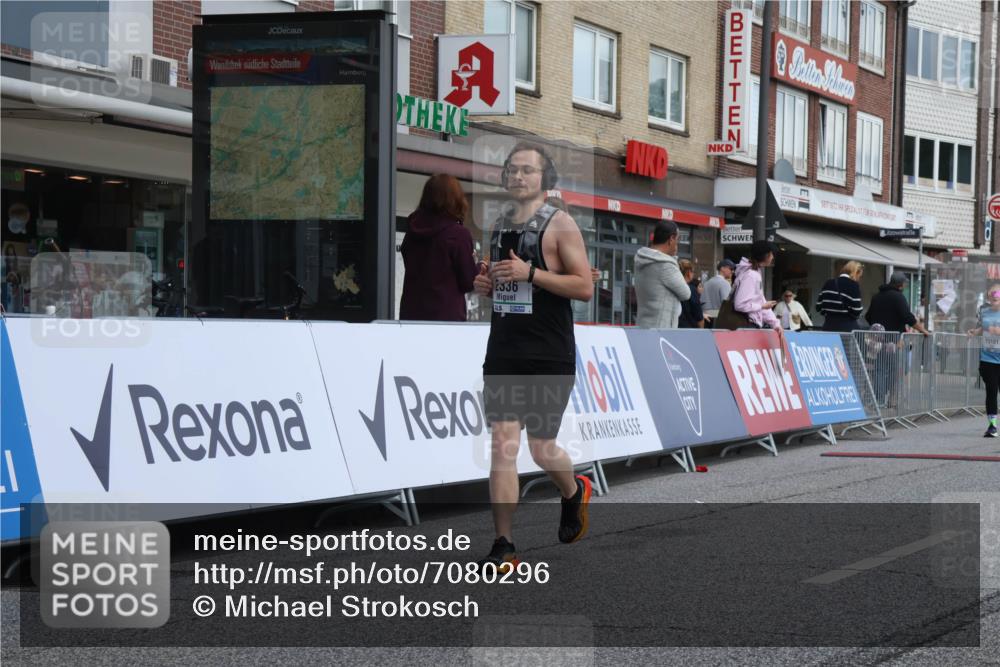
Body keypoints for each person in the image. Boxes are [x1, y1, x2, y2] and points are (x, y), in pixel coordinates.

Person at [472, 142, 594, 570]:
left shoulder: (560, 224)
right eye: (513, 169)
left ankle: (574, 491)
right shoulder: (499, 226)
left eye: (528, 170)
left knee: (541, 450)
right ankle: (504, 544)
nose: (518, 176)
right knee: (502, 446)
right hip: (504, 350)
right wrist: (487, 286)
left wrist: (532, 273)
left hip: (548, 353)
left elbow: (584, 287)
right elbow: (502, 285)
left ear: (545, 179)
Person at [399, 174, 478, 321]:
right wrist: (479, 266)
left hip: (411, 316)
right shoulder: (458, 234)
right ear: (456, 200)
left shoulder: (412, 230)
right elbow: (468, 283)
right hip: (446, 320)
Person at [634, 221, 690, 329]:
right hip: (662, 329)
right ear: (671, 239)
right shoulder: (665, 265)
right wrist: (673, 259)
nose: (677, 244)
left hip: (643, 325)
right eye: (677, 240)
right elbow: (686, 293)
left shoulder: (642, 259)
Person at [968, 285, 1000, 437]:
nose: (994, 297)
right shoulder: (984, 311)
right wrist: (974, 332)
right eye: (991, 295)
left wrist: (997, 331)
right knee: (991, 391)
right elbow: (982, 327)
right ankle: (992, 426)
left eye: (997, 295)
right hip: (988, 359)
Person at [732, 240, 782, 331]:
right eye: (771, 254)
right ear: (766, 255)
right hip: (747, 325)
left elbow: (760, 301)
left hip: (748, 324)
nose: (772, 257)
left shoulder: (753, 273)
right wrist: (762, 306)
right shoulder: (751, 275)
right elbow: (740, 305)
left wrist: (776, 324)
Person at [866, 271, 929, 336]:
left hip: (876, 338)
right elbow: (907, 317)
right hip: (893, 338)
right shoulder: (898, 297)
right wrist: (923, 330)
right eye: (905, 284)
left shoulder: (876, 297)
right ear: (900, 285)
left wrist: (877, 328)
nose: (905, 286)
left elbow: (868, 316)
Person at [817, 261, 865, 332]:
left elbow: (818, 307)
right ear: (855, 273)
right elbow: (857, 310)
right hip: (847, 329)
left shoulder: (828, 283)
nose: (859, 279)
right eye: (859, 276)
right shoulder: (853, 285)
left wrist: (831, 313)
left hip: (828, 327)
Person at [678, 259, 706, 328]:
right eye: (693, 272)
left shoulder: (674, 287)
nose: (693, 274)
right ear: (689, 273)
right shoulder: (691, 289)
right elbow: (698, 316)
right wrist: (702, 330)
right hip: (689, 329)